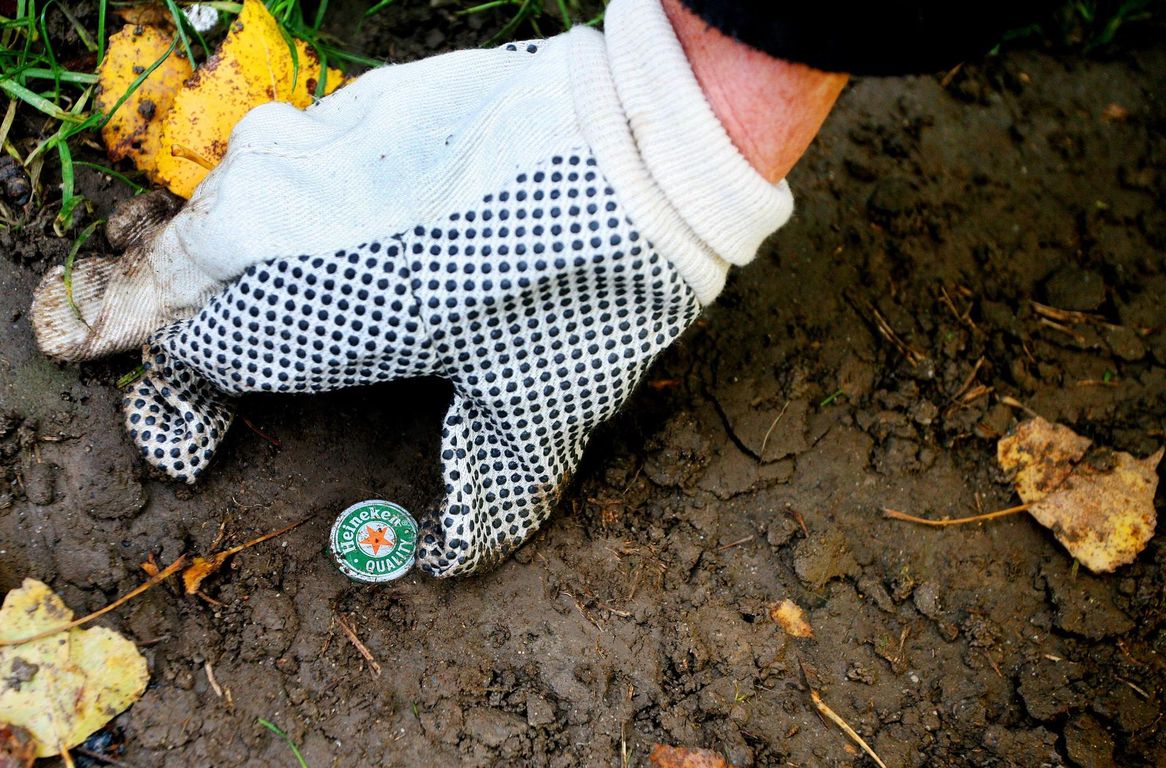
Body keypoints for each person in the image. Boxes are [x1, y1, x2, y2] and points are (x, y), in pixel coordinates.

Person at [29, 0, 1042, 577]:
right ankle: (672, 88)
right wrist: (631, 94)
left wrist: (646, 188)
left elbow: (526, 399)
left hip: (593, 223)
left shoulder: (573, 265)